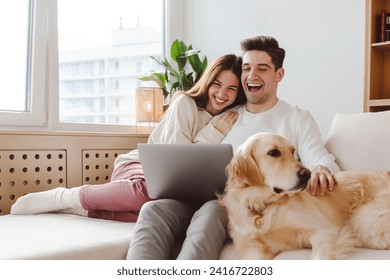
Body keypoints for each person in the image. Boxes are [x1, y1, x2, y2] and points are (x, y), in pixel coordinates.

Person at [126, 35, 340, 259]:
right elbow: (192, 156)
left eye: (262, 68)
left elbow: (321, 160)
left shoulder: (296, 117)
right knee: (153, 210)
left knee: (211, 211)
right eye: (246, 68)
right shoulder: (226, 116)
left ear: (279, 75)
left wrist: (322, 168)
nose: (252, 76)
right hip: (197, 197)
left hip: (236, 206)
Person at [10, 54, 246, 222]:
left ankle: (81, 210)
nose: (222, 93)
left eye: (231, 89)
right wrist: (212, 134)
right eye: (217, 84)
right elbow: (179, 165)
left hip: (169, 186)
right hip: (139, 168)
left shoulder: (233, 118)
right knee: (145, 193)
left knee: (155, 210)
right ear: (207, 81)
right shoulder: (186, 104)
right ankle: (65, 196)